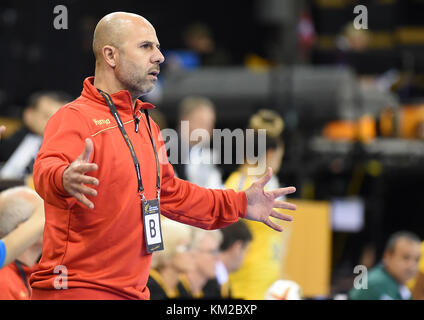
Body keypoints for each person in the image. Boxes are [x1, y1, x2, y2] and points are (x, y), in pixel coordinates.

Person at [30, 12, 296, 300]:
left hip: (133, 292)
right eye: (146, 47)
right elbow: (45, 170)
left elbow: (172, 194)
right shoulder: (73, 117)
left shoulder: (146, 125)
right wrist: (63, 177)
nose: (159, 56)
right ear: (110, 55)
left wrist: (240, 203)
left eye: (157, 47)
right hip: (77, 291)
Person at [225, 109, 289, 300]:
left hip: (266, 280)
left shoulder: (269, 184)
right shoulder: (238, 185)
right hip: (245, 284)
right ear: (270, 153)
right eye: (280, 157)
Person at [0, 92, 70, 179]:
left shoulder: (68, 153)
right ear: (29, 115)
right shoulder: (9, 143)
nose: (54, 123)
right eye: (46, 116)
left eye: (60, 118)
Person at [349, 231, 421, 300]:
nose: (412, 265)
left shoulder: (400, 284)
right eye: (406, 257)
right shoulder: (375, 284)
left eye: (417, 259)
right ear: (388, 256)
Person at [0, 186, 43, 299]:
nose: (56, 223)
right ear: (24, 228)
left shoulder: (37, 272)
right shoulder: (4, 283)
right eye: (44, 216)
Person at [171, 96, 223, 188]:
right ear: (184, 121)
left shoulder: (207, 155)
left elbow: (215, 188)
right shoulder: (166, 150)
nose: (208, 128)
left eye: (210, 123)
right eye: (202, 122)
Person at [203, 220, 253, 299]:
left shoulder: (221, 280)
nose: (245, 256)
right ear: (238, 247)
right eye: (246, 250)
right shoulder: (212, 279)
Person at [147, 218, 194, 300]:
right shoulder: (149, 289)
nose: (192, 254)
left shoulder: (182, 288)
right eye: (186, 247)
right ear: (169, 249)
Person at [180, 227, 223, 299]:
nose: (217, 258)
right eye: (212, 252)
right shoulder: (174, 289)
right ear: (193, 252)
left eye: (217, 252)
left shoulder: (211, 292)